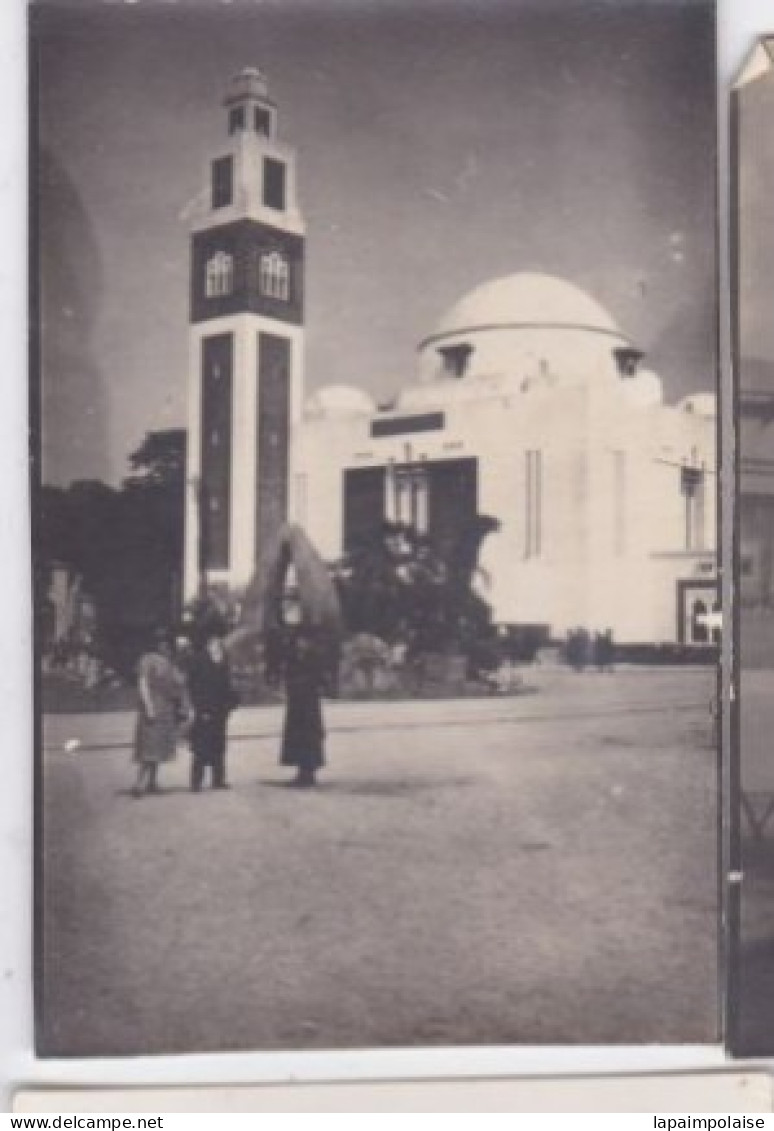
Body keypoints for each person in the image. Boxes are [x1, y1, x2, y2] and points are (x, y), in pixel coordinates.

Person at [268, 590, 329, 788]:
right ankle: (303, 770)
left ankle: (307, 771)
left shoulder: (308, 635)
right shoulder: (292, 635)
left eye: (291, 602)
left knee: (306, 730)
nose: (289, 608)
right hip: (298, 689)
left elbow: (315, 661)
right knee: (299, 730)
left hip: (306, 691)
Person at [132, 628, 188, 798]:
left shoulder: (169, 662)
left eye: (167, 643)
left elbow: (180, 683)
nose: (164, 646)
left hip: (166, 708)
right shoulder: (147, 660)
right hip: (153, 707)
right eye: (161, 642)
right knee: (148, 747)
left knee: (159, 746)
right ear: (155, 644)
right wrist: (148, 706)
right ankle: (139, 784)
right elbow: (143, 684)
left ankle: (152, 782)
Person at [187, 624, 239, 791]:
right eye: (215, 643)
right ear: (209, 644)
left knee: (219, 745)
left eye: (219, 643)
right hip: (205, 710)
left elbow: (227, 686)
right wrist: (201, 708)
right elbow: (194, 687)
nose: (219, 645)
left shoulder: (223, 660)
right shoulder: (199, 660)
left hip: (220, 710)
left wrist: (231, 703)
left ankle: (218, 779)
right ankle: (196, 782)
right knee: (201, 747)